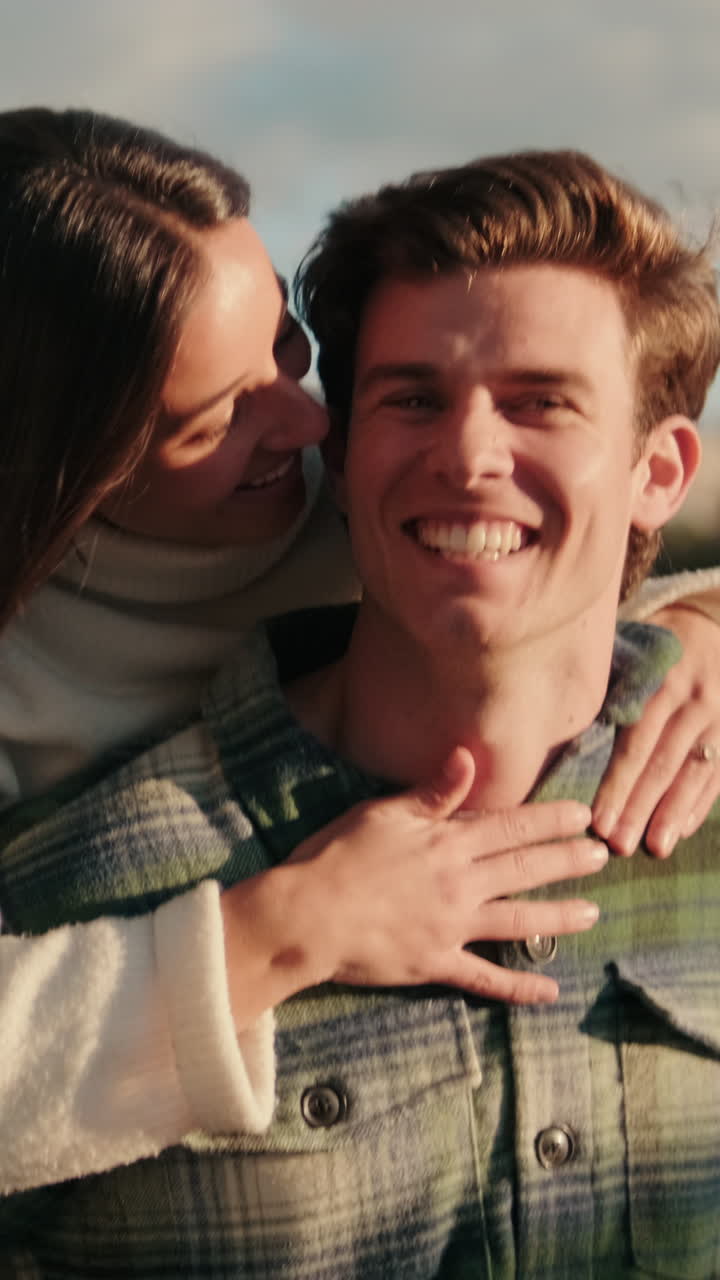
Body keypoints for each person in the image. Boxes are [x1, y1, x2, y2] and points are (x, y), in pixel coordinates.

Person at [0, 148, 718, 1277]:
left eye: (540, 402)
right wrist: (271, 936)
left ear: (660, 472)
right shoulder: (63, 897)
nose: (468, 456)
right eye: (412, 399)